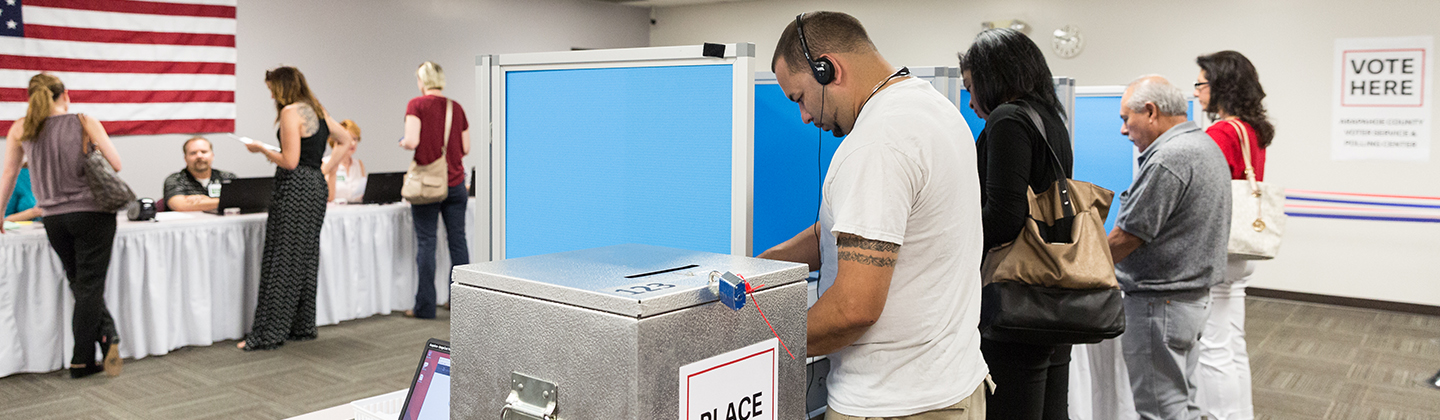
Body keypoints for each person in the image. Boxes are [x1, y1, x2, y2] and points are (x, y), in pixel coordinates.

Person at [759, 12, 988, 419]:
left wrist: (760, 339)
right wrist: (762, 267)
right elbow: (854, 228)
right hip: (951, 387)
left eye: (799, 98)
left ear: (829, 69)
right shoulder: (932, 107)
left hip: (895, 404)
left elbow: (854, 308)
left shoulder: (877, 144)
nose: (805, 117)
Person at [959, 28, 1073, 420]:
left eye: (972, 87)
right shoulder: (1049, 121)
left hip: (1015, 298)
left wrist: (953, 244)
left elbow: (1005, 219)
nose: (971, 101)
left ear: (996, 76)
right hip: (1052, 293)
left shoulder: (1008, 119)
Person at [1109, 76, 1231, 420]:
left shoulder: (1169, 158)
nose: (1123, 130)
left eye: (1125, 118)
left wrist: (1076, 266)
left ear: (1150, 111)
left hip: (1159, 304)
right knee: (1184, 403)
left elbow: (1127, 236)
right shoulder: (1203, 145)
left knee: (1161, 409)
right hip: (1188, 300)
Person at [0, 73, 125, 378]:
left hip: (53, 218)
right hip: (93, 213)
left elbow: (8, 174)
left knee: (78, 282)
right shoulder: (83, 121)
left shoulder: (21, 128)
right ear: (65, 95)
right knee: (91, 285)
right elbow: (117, 164)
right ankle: (81, 360)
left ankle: (107, 334)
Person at [238, 66, 355, 351]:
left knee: (282, 257)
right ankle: (300, 325)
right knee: (304, 255)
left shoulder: (291, 112)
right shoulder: (317, 109)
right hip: (315, 185)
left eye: (271, 89)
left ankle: (268, 333)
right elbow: (347, 140)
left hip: (295, 188)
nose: (270, 95)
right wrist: (325, 166)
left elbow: (290, 161)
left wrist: (262, 149)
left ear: (281, 87)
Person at [1192, 50, 1273, 420]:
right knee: (1231, 342)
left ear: (1221, 85)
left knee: (1213, 347)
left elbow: (1205, 192)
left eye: (1201, 82)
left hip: (1218, 247)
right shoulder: (1251, 130)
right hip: (1241, 250)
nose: (1196, 91)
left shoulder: (1222, 132)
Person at [399, 61, 470, 319]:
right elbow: (466, 147)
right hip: (455, 183)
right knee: (458, 242)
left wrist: (403, 142)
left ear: (422, 81)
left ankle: (425, 307)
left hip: (428, 184)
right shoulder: (456, 107)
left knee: (427, 243)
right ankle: (461, 303)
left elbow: (413, 141)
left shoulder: (416, 105)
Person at [162, 136, 237, 212]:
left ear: (212, 155)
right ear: (185, 158)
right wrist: (223, 201)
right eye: (193, 153)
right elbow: (180, 206)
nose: (199, 156)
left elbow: (241, 201)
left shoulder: (227, 177)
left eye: (204, 152)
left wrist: (205, 201)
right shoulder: (175, 179)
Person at [323, 119, 367, 204]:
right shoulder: (325, 163)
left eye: (355, 139)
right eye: (350, 139)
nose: (353, 143)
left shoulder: (358, 164)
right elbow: (329, 197)